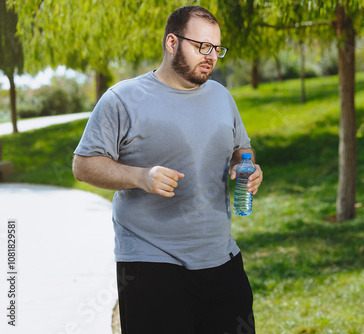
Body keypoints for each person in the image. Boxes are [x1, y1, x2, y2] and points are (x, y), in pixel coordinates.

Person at [72, 5, 263, 334]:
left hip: (221, 259)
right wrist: (140, 177)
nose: (211, 56)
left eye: (217, 48)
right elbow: (84, 165)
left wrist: (246, 166)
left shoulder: (221, 95)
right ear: (172, 42)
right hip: (151, 263)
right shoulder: (123, 98)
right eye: (202, 46)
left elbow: (241, 149)